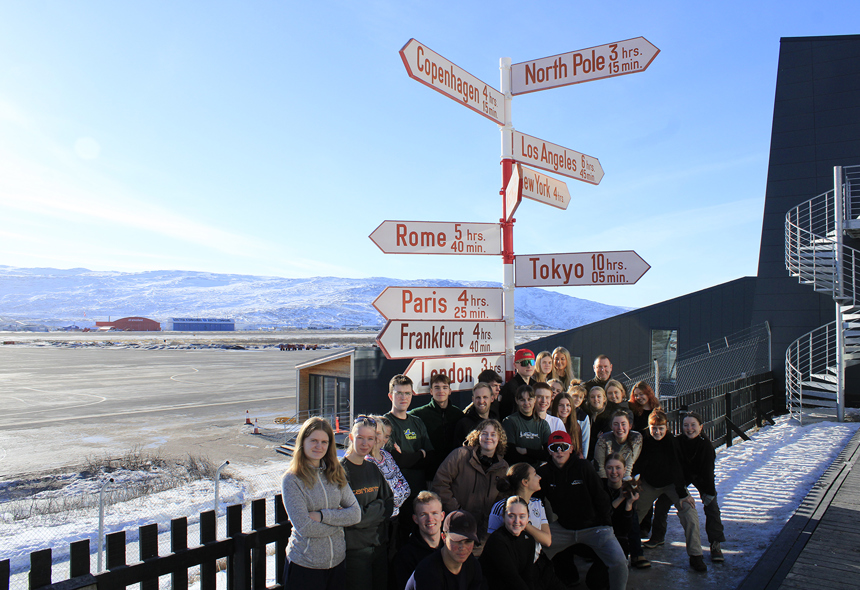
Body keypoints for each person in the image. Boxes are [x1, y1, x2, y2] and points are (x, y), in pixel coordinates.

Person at [535, 431, 628, 590]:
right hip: (564, 528)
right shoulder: (544, 473)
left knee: (619, 562)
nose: (559, 451)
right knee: (531, 551)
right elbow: (536, 502)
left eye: (563, 447)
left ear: (571, 449)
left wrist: (606, 525)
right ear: (549, 450)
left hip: (595, 527)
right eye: (554, 447)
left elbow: (601, 497)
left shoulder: (584, 467)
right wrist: (541, 526)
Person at [281, 417, 361, 589]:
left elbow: (355, 513)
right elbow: (306, 527)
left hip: (337, 564)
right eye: (314, 441)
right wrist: (340, 521)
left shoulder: (335, 472)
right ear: (303, 442)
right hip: (305, 565)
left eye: (324, 442)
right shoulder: (292, 479)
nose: (319, 446)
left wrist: (323, 516)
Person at [633, 410, 707, 572]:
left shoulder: (671, 441)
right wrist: (635, 481)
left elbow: (677, 467)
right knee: (633, 512)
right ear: (649, 427)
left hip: (671, 484)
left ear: (666, 427)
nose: (657, 432)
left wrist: (682, 493)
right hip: (649, 483)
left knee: (689, 511)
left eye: (661, 428)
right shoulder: (643, 439)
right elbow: (637, 462)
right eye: (654, 428)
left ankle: (696, 555)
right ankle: (625, 548)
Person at [653, 411, 726, 562]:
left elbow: (708, 472)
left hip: (701, 476)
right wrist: (681, 490)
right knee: (663, 502)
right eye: (686, 425)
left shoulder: (706, 446)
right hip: (683, 475)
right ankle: (658, 536)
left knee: (712, 506)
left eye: (693, 425)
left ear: (701, 427)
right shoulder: (678, 442)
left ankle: (715, 543)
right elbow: (675, 466)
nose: (689, 428)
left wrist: (708, 492)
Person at [431, 419, 509, 551]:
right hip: (456, 527)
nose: (488, 437)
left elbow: (502, 500)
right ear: (477, 436)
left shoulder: (503, 467)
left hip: (483, 534)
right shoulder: (460, 455)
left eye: (493, 434)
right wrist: (458, 512)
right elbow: (440, 483)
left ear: (499, 439)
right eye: (484, 433)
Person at [341, 416, 394, 590]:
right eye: (360, 438)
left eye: (370, 439)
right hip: (355, 552)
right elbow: (351, 517)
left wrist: (368, 511)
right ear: (351, 438)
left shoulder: (373, 468)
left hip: (378, 547)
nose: (365, 443)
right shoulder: (340, 472)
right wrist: (377, 507)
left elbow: (389, 504)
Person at [384, 374, 433, 543]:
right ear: (391, 396)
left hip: (418, 493)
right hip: (397, 497)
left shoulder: (417, 422)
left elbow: (430, 457)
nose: (403, 397)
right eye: (399, 393)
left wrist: (408, 457)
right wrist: (420, 454)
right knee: (400, 542)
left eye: (407, 393)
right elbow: (397, 461)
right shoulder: (385, 424)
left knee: (421, 539)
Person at [481, 496, 567, 590]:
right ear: (503, 517)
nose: (517, 521)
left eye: (522, 516)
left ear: (528, 519)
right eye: (511, 516)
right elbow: (511, 578)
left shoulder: (529, 539)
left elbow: (528, 576)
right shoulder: (497, 541)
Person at [405, 510, 485, 590]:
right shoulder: (427, 572)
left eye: (468, 541)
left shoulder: (473, 565)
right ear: (443, 537)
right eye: (457, 541)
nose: (462, 547)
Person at [488, 463, 551, 564]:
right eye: (535, 474)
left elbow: (547, 541)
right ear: (525, 482)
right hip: (509, 564)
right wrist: (520, 521)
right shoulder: (500, 507)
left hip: (533, 564)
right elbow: (492, 542)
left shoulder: (537, 504)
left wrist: (524, 524)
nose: (539, 477)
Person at [410, 373, 464, 481]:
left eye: (445, 387)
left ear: (450, 391)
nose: (441, 391)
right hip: (429, 474)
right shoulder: (419, 414)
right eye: (437, 387)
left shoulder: (458, 414)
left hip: (453, 473)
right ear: (431, 391)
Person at [603, 453, 650, 570]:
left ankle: (635, 553)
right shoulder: (600, 487)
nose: (614, 472)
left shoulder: (629, 489)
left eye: (618, 468)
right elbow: (603, 516)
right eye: (610, 468)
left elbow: (626, 529)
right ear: (605, 469)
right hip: (601, 533)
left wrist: (629, 503)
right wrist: (620, 498)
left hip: (618, 535)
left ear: (624, 470)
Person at [392, 491, 445, 590]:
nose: (430, 519)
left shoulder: (452, 548)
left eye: (434, 513)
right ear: (415, 519)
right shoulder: (405, 556)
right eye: (423, 515)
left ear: (442, 516)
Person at [366, 415, 410, 519]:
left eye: (380, 434)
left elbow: (404, 485)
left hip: (395, 515)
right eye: (373, 434)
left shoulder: (387, 456)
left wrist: (395, 501)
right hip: (380, 517)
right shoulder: (367, 461)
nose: (377, 439)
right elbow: (378, 496)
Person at [502, 385, 550, 467]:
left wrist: (526, 451)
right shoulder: (509, 421)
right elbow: (510, 454)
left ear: (535, 400)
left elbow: (548, 454)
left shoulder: (543, 424)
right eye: (522, 400)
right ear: (516, 401)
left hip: (536, 472)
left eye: (529, 399)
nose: (526, 403)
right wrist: (534, 458)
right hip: (516, 470)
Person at [594, 409, 643, 479]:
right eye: (616, 424)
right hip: (605, 476)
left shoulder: (636, 438)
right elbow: (599, 467)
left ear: (630, 426)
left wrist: (624, 483)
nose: (620, 428)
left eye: (623, 424)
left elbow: (629, 464)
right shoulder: (603, 439)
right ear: (611, 426)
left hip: (623, 475)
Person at [499, 349, 536, 418]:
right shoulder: (510, 388)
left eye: (531, 362)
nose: (529, 366)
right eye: (524, 363)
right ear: (515, 365)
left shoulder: (535, 385)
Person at [549, 392, 584, 458]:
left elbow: (579, 450)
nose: (565, 408)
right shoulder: (549, 424)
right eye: (561, 405)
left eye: (568, 405)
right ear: (556, 407)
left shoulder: (576, 426)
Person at [585, 386, 612, 460]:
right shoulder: (585, 414)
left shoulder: (609, 416)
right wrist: (596, 437)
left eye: (599, 396)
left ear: (604, 398)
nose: (596, 399)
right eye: (592, 397)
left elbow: (605, 438)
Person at [568, 384, 591, 455]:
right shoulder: (561, 411)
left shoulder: (583, 416)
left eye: (581, 397)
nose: (578, 399)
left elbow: (585, 439)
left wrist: (583, 457)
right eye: (575, 396)